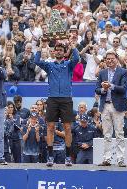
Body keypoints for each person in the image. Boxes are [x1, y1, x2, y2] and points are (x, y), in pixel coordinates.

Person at [34, 38, 80, 167]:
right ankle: (50, 157)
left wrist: (72, 45)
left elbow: (76, 58)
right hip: (52, 99)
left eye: (61, 50)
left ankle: (68, 157)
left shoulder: (69, 64)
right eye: (57, 50)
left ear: (65, 52)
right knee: (50, 127)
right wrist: (41, 46)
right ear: (53, 52)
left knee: (67, 128)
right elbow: (36, 61)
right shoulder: (49, 65)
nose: (58, 52)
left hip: (66, 99)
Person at [95, 50, 127, 167]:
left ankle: (120, 159)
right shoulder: (102, 73)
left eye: (112, 58)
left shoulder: (123, 72)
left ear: (116, 59)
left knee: (119, 133)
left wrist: (111, 86)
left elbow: (124, 88)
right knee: (107, 134)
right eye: (107, 59)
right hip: (105, 105)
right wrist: (103, 89)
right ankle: (107, 159)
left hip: (118, 106)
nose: (109, 61)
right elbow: (96, 89)